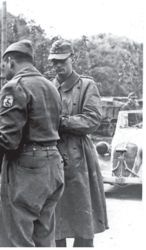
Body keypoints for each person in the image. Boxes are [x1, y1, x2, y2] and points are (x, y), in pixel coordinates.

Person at [0, 39, 64, 247]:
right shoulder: (51, 87)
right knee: (44, 236)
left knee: (16, 239)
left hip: (26, 168)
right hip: (53, 165)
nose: (3, 70)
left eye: (3, 65)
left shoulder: (15, 87)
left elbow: (7, 141)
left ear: (10, 61)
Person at [48, 39, 108, 247]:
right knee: (55, 219)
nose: (57, 66)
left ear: (72, 59)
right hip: (53, 155)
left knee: (82, 217)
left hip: (79, 157)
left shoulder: (87, 85)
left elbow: (92, 120)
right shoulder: (48, 87)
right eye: (54, 61)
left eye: (62, 61)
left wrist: (62, 122)